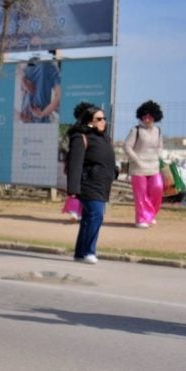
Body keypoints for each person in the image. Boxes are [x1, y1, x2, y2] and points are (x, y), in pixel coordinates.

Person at [66, 103, 116, 264]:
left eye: (104, 118)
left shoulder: (104, 138)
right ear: (89, 121)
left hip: (102, 184)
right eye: (99, 119)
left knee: (89, 217)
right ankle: (89, 251)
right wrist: (73, 189)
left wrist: (114, 171)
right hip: (89, 184)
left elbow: (108, 158)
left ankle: (80, 253)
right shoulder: (81, 137)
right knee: (96, 215)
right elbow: (75, 164)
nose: (103, 121)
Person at [124, 100, 165, 229]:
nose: (147, 118)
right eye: (144, 115)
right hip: (138, 168)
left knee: (158, 188)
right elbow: (126, 146)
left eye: (150, 115)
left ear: (155, 116)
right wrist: (136, 159)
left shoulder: (158, 130)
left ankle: (150, 214)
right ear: (140, 116)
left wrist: (160, 157)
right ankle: (141, 218)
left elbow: (160, 146)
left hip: (154, 167)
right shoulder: (135, 130)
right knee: (141, 194)